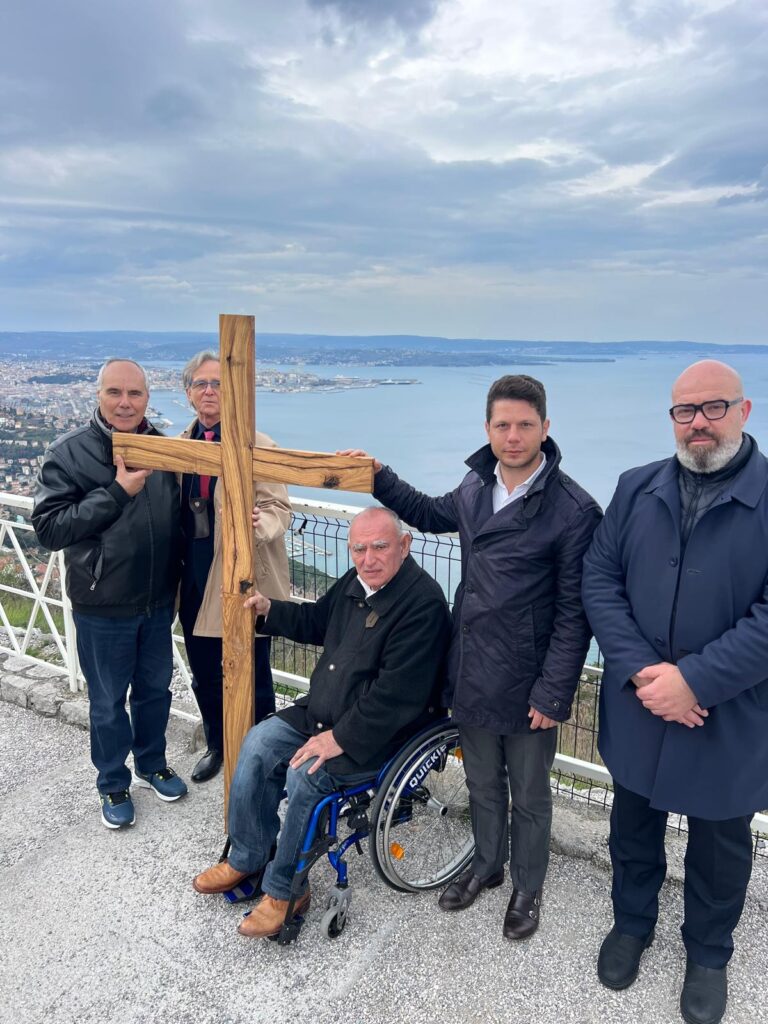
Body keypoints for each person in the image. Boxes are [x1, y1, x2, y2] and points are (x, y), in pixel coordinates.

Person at [340, 374, 601, 939]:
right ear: (487, 428)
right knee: (482, 781)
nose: (513, 436)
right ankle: (486, 864)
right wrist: (378, 475)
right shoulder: (476, 486)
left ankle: (527, 886)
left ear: (546, 428)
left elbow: (574, 613)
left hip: (529, 679)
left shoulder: (573, 509)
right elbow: (428, 511)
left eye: (525, 425)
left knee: (529, 795)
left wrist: (554, 691)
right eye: (503, 425)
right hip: (474, 668)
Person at [582, 359, 768, 1024]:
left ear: (744, 411)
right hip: (641, 705)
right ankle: (632, 923)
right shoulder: (636, 487)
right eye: (685, 410)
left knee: (720, 847)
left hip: (728, 713)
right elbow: (600, 578)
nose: (698, 423)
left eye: (714, 407)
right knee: (632, 826)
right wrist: (642, 671)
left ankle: (709, 954)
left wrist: (694, 680)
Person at [192, 506, 452, 938]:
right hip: (322, 712)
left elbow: (396, 698)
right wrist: (269, 610)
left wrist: (339, 739)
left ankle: (285, 889)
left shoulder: (423, 605)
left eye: (380, 547)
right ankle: (247, 856)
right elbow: (317, 621)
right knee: (257, 743)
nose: (368, 559)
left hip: (380, 734)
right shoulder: (357, 582)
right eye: (359, 549)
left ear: (404, 546)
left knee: (306, 772)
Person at [32, 358, 186, 829]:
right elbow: (49, 529)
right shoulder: (69, 452)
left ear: (147, 398)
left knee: (155, 692)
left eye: (134, 393)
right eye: (115, 392)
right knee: (107, 702)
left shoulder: (163, 449)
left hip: (157, 602)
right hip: (102, 605)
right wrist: (117, 491)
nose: (125, 403)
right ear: (98, 395)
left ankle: (152, 764)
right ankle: (112, 782)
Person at [177, 350, 291, 784]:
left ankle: (264, 757)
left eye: (219, 383)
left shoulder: (257, 444)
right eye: (201, 384)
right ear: (189, 393)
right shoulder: (179, 445)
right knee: (205, 672)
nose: (209, 391)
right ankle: (218, 744)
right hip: (193, 577)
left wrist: (259, 525)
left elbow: (279, 508)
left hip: (245, 579)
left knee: (255, 674)